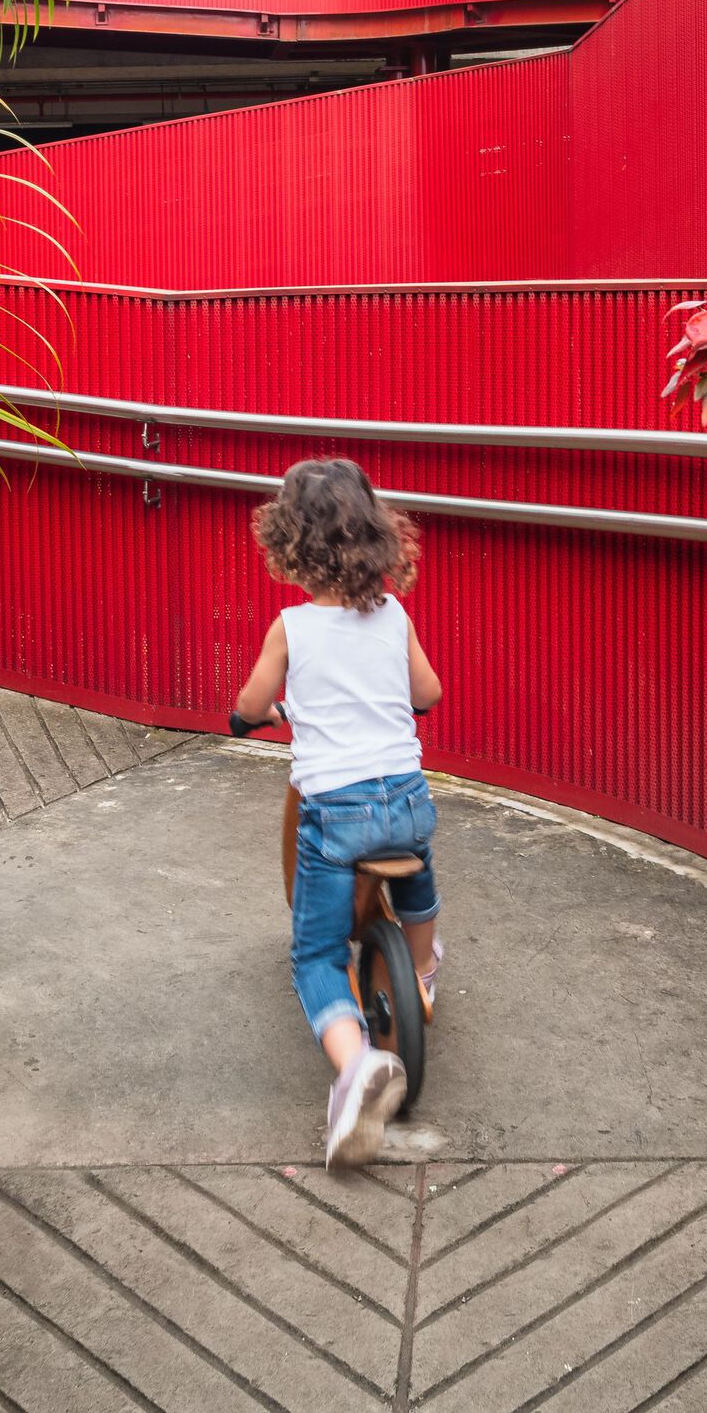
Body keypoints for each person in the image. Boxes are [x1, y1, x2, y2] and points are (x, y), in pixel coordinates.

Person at [232, 457, 443, 1169]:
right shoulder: (395, 616)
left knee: (316, 955)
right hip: (408, 801)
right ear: (376, 538)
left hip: (336, 811)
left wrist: (246, 718)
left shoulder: (290, 628)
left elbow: (251, 706)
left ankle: (357, 1066)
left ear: (290, 545)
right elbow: (428, 693)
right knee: (418, 874)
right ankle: (421, 969)